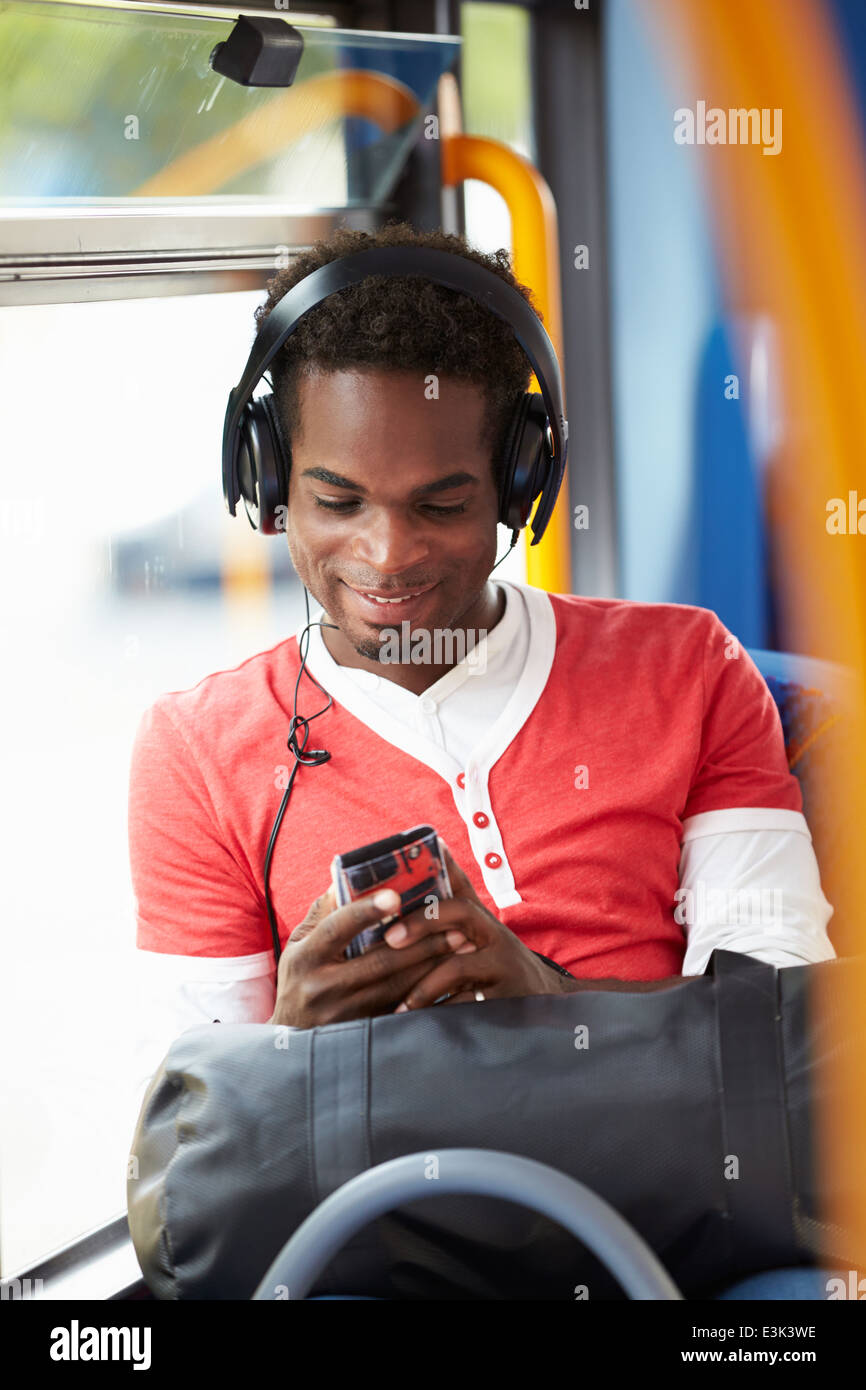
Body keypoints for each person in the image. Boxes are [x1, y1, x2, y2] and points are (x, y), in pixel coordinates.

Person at [128, 221, 836, 1297]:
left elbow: (772, 1033)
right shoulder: (194, 746)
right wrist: (291, 1038)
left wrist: (549, 1001)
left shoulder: (687, 667)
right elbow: (212, 1142)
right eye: (335, 501)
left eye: (442, 504)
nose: (386, 557)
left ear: (520, 480)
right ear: (267, 478)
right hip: (382, 1246)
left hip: (684, 1234)